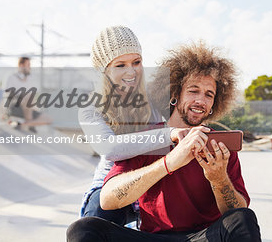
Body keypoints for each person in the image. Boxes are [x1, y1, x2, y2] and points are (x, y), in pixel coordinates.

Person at [67, 43, 261, 242]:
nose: (201, 101)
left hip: (205, 237)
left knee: (243, 219)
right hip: (154, 238)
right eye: (193, 91)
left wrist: (219, 179)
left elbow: (237, 212)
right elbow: (107, 200)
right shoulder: (149, 139)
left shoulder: (220, 147)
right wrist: (169, 162)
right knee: (84, 229)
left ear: (214, 104)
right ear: (175, 94)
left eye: (209, 95)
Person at [78, 25, 189, 226]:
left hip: (153, 178)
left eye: (136, 62)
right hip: (112, 182)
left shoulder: (154, 96)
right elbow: (109, 147)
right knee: (93, 224)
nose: (131, 71)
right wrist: (167, 134)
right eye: (120, 65)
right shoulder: (90, 107)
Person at [5, 57, 52, 132]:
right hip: (15, 106)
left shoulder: (30, 79)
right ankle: (30, 125)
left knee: (48, 119)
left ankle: (25, 124)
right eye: (28, 64)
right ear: (21, 65)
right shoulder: (12, 77)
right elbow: (9, 94)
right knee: (27, 96)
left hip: (29, 107)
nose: (30, 67)